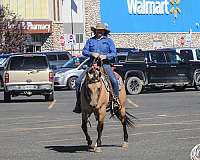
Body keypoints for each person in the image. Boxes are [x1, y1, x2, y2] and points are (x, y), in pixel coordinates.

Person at [73, 22, 119, 113]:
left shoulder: (109, 41)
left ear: (104, 31)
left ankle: (115, 100)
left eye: (101, 30)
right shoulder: (90, 41)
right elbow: (84, 51)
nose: (99, 32)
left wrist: (105, 56)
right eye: (98, 30)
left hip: (105, 64)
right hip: (92, 65)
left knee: (114, 81)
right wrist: (91, 53)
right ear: (95, 31)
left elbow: (114, 53)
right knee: (78, 82)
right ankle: (79, 103)